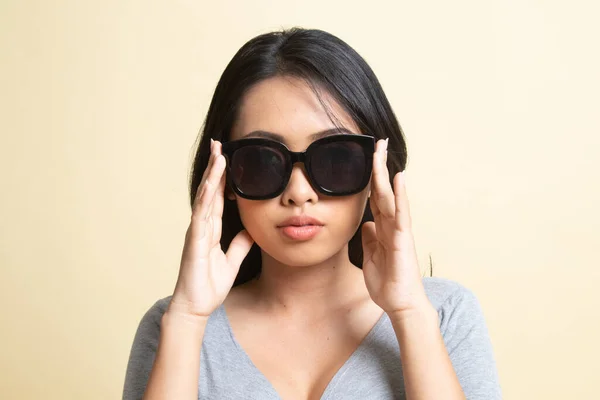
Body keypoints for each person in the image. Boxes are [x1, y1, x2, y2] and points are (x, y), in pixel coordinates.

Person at [122, 28, 502, 400]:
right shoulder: (172, 326)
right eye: (262, 160)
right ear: (224, 176)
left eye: (336, 157)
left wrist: (408, 313)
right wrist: (187, 320)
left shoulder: (444, 313)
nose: (299, 193)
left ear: (376, 169)